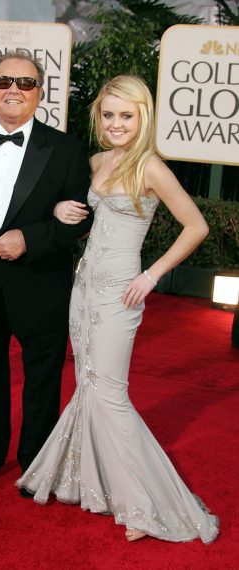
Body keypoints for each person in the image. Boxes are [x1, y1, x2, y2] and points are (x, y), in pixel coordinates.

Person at [16, 75, 219, 544]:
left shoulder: (151, 167)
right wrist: (66, 215)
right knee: (87, 386)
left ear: (143, 116)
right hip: (83, 288)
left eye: (126, 115)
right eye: (108, 115)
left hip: (122, 292)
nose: (116, 123)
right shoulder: (97, 161)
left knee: (109, 394)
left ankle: (145, 502)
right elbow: (96, 226)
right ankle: (99, 485)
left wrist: (151, 276)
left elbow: (197, 226)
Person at [0, 51, 92, 500]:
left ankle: (35, 465)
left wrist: (30, 238)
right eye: (5, 80)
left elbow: (81, 218)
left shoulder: (65, 147)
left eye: (25, 83)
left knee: (42, 384)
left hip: (40, 284)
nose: (14, 89)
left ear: (40, 92)